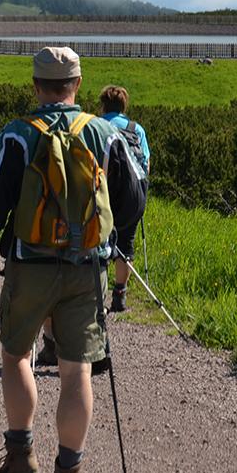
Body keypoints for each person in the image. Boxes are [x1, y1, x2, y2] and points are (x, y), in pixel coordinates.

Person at [0, 47, 145, 473]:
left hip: (29, 266)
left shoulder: (16, 135)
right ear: (78, 85)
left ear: (36, 85)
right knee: (76, 369)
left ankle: (21, 457)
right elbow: (134, 197)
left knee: (16, 355)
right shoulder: (105, 134)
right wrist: (111, 235)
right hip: (87, 269)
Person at [98, 85, 150, 312]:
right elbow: (146, 164)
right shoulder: (136, 129)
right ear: (124, 106)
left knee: (97, 240)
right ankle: (120, 294)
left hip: (104, 191)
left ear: (103, 105)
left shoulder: (98, 126)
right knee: (126, 243)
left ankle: (96, 294)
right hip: (132, 193)